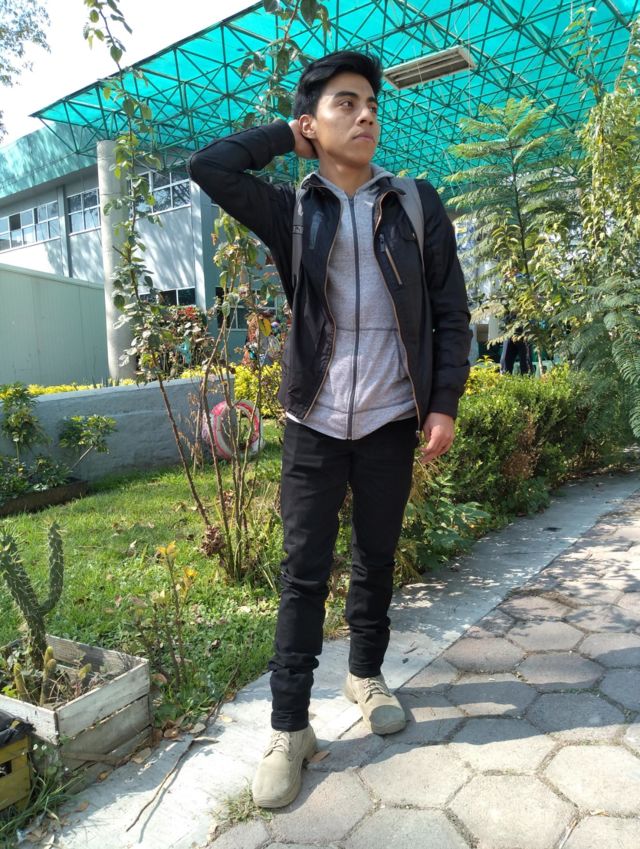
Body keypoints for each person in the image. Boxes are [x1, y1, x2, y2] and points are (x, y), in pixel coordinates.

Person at [188, 50, 472, 809]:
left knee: (376, 557)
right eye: (346, 103)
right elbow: (208, 166)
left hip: (389, 418)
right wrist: (287, 135)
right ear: (313, 122)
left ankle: (365, 675)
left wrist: (443, 402)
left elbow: (451, 311)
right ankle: (290, 727)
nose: (367, 113)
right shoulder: (291, 209)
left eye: (372, 103)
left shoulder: (415, 204)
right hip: (312, 419)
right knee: (303, 573)